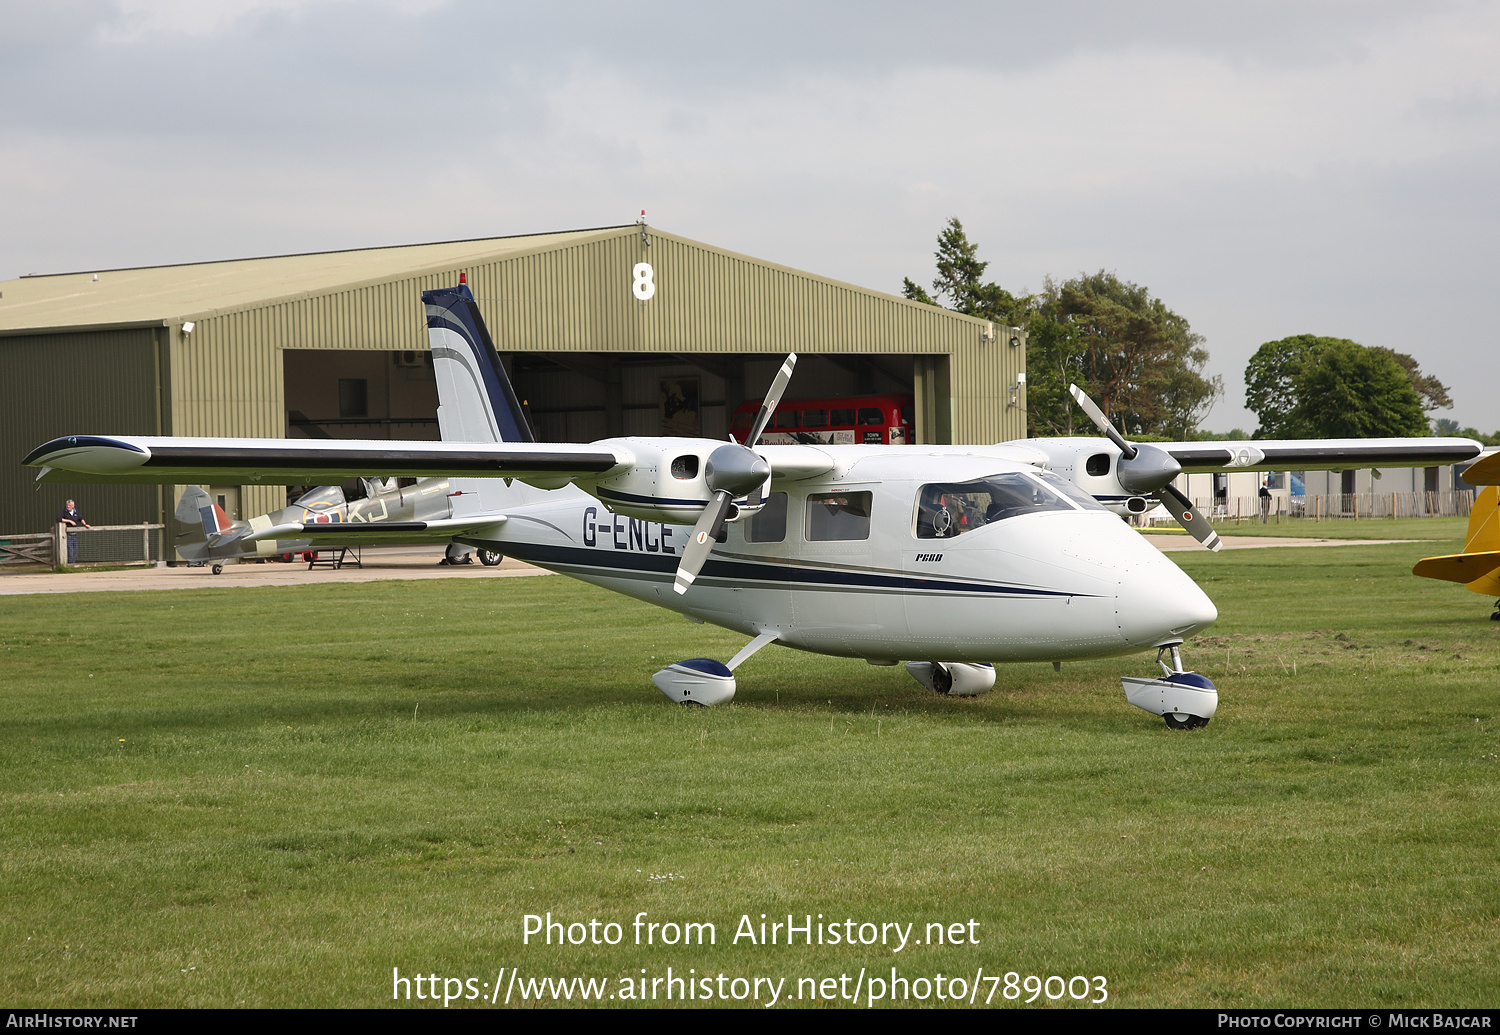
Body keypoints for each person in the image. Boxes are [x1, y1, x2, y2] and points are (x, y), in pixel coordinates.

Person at [57, 499, 91, 563]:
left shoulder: (75, 512)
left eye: (70, 505)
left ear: (73, 506)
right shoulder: (63, 511)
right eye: (67, 505)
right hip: (67, 534)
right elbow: (58, 519)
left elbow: (80, 518)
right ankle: (70, 564)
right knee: (70, 550)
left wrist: (85, 524)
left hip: (74, 534)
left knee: (75, 550)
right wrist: (69, 521)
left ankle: (73, 563)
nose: (68, 507)